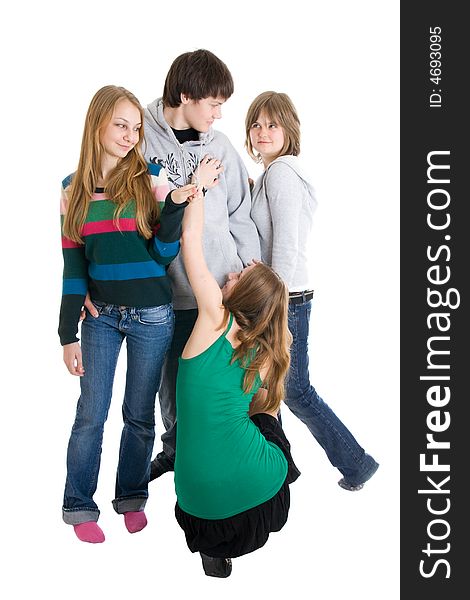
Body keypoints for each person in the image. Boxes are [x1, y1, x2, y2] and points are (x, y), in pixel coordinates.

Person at [59, 85, 198, 543]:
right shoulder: (71, 191)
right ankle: (80, 505)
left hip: (153, 317)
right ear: (97, 123)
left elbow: (162, 253)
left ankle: (132, 498)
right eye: (121, 124)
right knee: (90, 414)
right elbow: (74, 265)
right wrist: (67, 334)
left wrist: (175, 207)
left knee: (139, 415)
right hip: (99, 318)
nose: (129, 135)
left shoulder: (150, 177)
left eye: (136, 128)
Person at [245, 91, 379, 491]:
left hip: (285, 298)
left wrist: (272, 300)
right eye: (256, 124)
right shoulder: (275, 174)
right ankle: (280, 467)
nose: (263, 132)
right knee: (268, 386)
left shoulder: (283, 174)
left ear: (289, 130)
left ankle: (355, 464)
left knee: (294, 389)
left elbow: (285, 244)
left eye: (272, 124)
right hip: (282, 296)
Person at [143, 49, 261, 478]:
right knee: (171, 386)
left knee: (224, 389)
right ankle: (177, 452)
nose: (218, 115)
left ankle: (234, 459)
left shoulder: (223, 148)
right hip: (163, 292)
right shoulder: (141, 136)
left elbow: (240, 216)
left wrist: (251, 274)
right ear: (186, 95)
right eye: (213, 104)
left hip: (220, 290)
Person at [173, 179, 300, 578]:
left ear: (244, 294)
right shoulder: (264, 354)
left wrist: (198, 190)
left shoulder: (213, 317)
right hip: (263, 503)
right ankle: (286, 470)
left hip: (199, 511)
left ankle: (214, 554)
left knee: (259, 420)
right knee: (267, 414)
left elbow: (190, 240)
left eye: (241, 274)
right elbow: (267, 401)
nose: (232, 271)